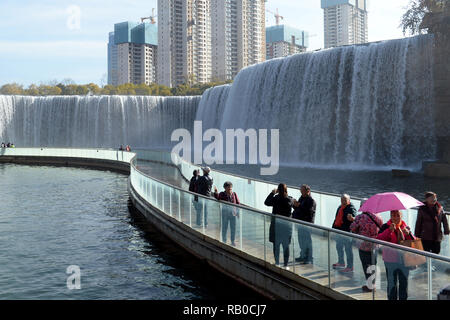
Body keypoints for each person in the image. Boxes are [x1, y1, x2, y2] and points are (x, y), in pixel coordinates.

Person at [377, 210, 415, 300]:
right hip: (390, 260)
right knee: (391, 284)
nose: (396, 218)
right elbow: (378, 239)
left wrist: (408, 234)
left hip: (404, 260)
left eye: (398, 215)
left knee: (404, 283)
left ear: (401, 216)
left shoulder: (405, 227)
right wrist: (388, 231)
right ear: (390, 216)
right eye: (393, 216)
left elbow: (414, 241)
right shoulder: (385, 226)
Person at [350, 205, 384, 292]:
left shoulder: (360, 217)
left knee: (366, 264)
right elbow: (381, 227)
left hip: (363, 245)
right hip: (375, 244)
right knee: (373, 264)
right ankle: (373, 284)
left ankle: (370, 285)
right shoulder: (378, 216)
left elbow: (352, 228)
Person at [265, 183, 295, 268]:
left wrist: (272, 193)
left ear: (278, 190)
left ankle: (277, 262)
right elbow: (296, 205)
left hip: (276, 225)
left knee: (276, 244)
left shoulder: (275, 199)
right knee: (286, 245)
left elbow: (266, 202)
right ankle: (286, 265)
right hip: (286, 226)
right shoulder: (289, 199)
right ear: (286, 190)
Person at [415, 191, 449, 256]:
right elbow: (418, 222)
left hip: (437, 236)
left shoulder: (440, 208)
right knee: (425, 253)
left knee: (436, 253)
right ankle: (427, 266)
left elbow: (444, 220)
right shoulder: (422, 209)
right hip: (425, 236)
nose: (434, 199)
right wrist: (417, 235)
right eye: (432, 198)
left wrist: (446, 231)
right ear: (427, 199)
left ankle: (433, 265)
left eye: (435, 198)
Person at [332, 194, 356, 273]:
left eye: (345, 200)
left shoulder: (351, 208)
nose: (343, 202)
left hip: (347, 233)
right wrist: (332, 230)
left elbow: (355, 219)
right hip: (339, 231)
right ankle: (341, 262)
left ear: (349, 200)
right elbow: (336, 219)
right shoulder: (340, 207)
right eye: (342, 200)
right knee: (339, 247)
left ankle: (350, 266)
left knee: (348, 250)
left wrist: (352, 218)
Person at [292, 184, 316, 264]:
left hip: (306, 224)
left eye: (302, 191)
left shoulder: (311, 201)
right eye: (300, 191)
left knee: (307, 241)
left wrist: (299, 205)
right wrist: (295, 205)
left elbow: (309, 212)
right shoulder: (302, 198)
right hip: (300, 223)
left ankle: (309, 257)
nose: (301, 192)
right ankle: (302, 255)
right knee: (301, 240)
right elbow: (299, 209)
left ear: (308, 191)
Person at [214, 181, 240, 246]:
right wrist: (216, 192)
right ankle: (224, 241)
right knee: (224, 228)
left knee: (233, 228)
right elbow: (218, 198)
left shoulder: (234, 194)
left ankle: (232, 241)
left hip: (233, 214)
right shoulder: (222, 194)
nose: (230, 190)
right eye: (228, 188)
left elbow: (238, 203)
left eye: (231, 188)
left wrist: (238, 213)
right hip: (225, 214)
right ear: (225, 188)